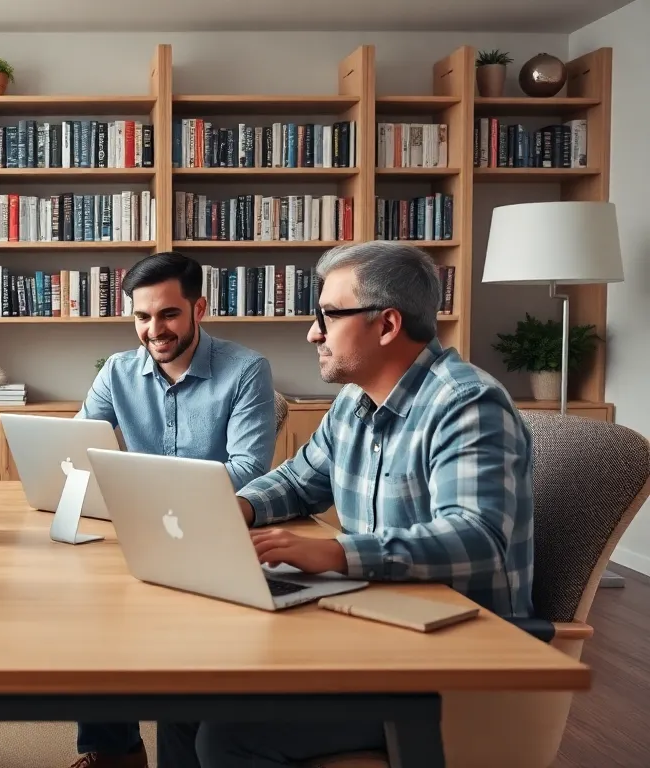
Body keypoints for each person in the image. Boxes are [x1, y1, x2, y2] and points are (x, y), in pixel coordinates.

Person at [165, 240, 535, 767]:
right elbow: (297, 481)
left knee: (228, 738)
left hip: (450, 661)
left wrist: (336, 553)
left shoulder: (466, 404)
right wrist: (234, 509)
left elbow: (478, 537)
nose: (313, 332)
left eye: (329, 315)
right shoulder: (354, 402)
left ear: (387, 325)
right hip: (373, 629)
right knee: (183, 689)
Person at [71, 251, 277, 768]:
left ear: (198, 309)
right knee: (89, 609)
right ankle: (115, 752)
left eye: (168, 314)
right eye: (142, 317)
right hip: (139, 526)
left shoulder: (246, 370)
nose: (154, 330)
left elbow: (249, 468)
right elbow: (78, 446)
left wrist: (145, 488)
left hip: (213, 533)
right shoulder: (117, 371)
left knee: (180, 650)